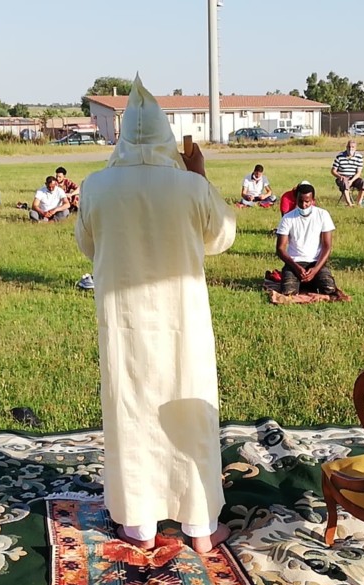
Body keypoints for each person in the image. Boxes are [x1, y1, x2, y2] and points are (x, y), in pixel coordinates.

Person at [75, 76, 236, 554]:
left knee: (131, 411)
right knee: (188, 409)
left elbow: (88, 245)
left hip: (124, 323)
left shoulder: (96, 185)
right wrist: (200, 175)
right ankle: (201, 527)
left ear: (122, 136)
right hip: (182, 322)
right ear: (166, 134)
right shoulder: (189, 185)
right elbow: (222, 237)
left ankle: (140, 527)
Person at [276, 183, 337, 294]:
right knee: (288, 292)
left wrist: (315, 270)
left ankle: (310, 282)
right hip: (294, 263)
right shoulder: (287, 218)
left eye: (307, 202)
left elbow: (327, 246)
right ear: (296, 199)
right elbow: (280, 248)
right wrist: (296, 268)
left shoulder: (323, 215)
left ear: (313, 200)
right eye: (300, 201)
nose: (303, 205)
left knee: (329, 289)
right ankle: (305, 283)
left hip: (316, 263)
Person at [331, 140, 364, 207]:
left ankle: (359, 203)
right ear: (346, 147)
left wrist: (351, 181)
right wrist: (339, 176)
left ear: (355, 148)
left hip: (354, 178)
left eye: (352, 147)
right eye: (349, 147)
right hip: (342, 178)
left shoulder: (359, 157)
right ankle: (349, 204)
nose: (350, 149)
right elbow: (333, 171)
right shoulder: (340, 156)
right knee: (345, 182)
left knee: (363, 182)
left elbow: (358, 173)